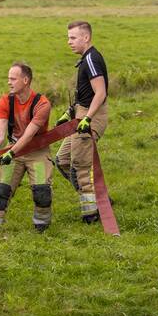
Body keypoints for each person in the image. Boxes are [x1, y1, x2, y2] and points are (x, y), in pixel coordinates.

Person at [0, 62, 53, 232]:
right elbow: (0, 132)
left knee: (42, 192)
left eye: (13, 79)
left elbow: (29, 135)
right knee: (1, 191)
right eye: (8, 79)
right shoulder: (6, 101)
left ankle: (41, 228)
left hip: (37, 151)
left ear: (25, 80)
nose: (9, 82)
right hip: (13, 151)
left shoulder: (42, 104)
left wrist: (10, 153)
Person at [55, 21, 109, 223]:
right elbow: (85, 95)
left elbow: (100, 93)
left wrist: (87, 118)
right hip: (81, 114)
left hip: (92, 117)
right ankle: (100, 199)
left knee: (79, 167)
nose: (69, 42)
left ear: (86, 38)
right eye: (68, 37)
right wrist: (68, 113)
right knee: (62, 161)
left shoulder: (92, 59)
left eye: (73, 38)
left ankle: (92, 215)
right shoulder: (85, 59)